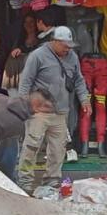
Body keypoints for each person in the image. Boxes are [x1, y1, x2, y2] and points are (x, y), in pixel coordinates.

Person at [16, 26, 90, 194]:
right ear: (54, 41)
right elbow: (25, 82)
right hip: (39, 112)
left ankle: (52, 180)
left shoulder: (72, 57)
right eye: (64, 45)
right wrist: (24, 105)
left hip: (61, 112)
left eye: (70, 46)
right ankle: (25, 180)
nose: (67, 49)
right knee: (31, 147)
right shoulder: (37, 56)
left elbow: (78, 79)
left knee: (58, 149)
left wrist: (85, 99)